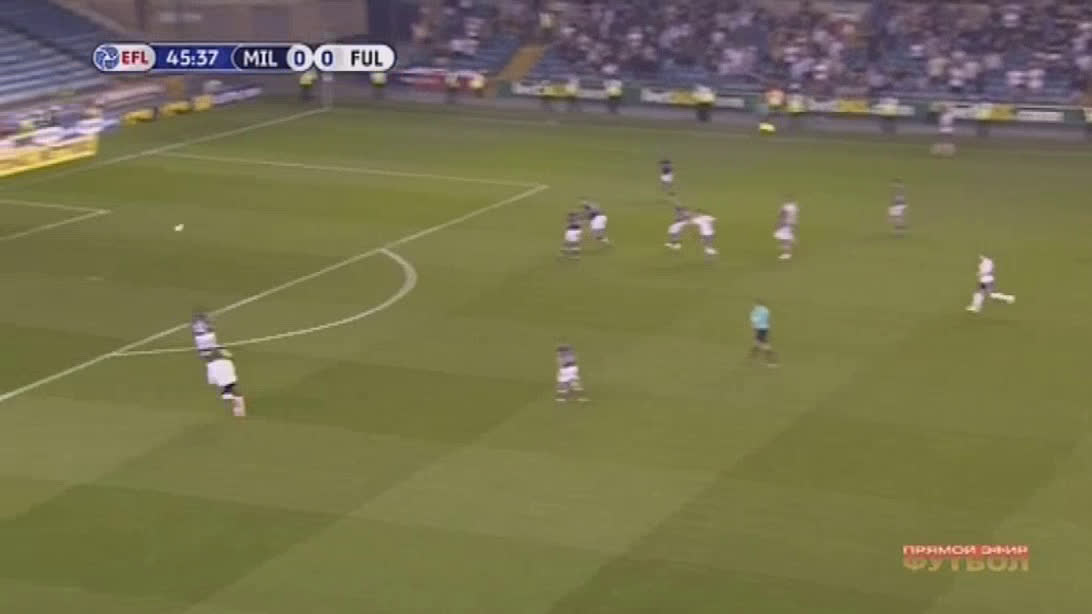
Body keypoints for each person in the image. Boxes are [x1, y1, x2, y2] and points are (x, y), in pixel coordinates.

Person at [206, 349, 246, 417]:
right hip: (231, 379)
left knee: (229, 392)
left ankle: (236, 406)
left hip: (221, 381)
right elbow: (233, 369)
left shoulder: (210, 365)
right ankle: (238, 408)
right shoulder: (228, 362)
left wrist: (214, 382)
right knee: (234, 392)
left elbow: (211, 377)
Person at [749, 300, 778, 366]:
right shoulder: (766, 310)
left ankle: (772, 361)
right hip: (765, 329)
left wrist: (754, 330)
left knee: (764, 345)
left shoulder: (755, 311)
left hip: (759, 329)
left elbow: (754, 321)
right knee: (757, 343)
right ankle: (751, 359)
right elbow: (767, 319)